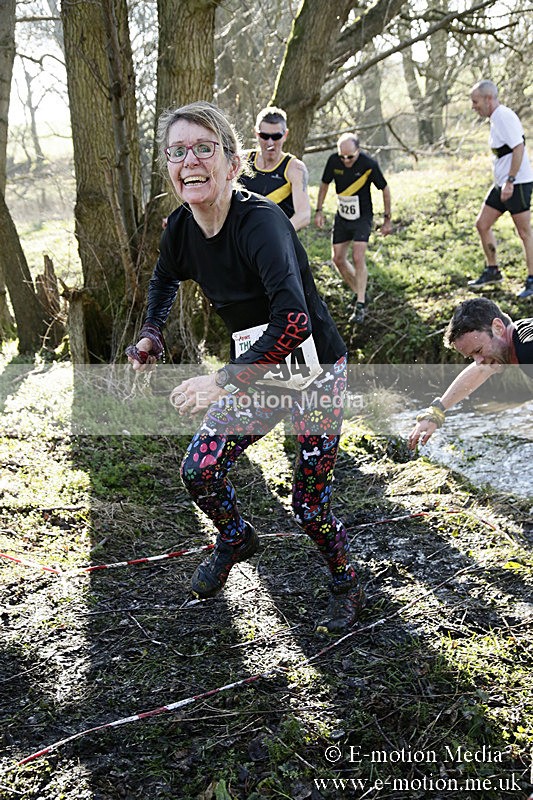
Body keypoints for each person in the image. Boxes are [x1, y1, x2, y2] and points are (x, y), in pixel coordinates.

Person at [126, 101, 365, 634]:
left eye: (204, 148)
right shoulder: (181, 229)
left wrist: (221, 380)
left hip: (315, 371)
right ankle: (236, 538)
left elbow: (294, 322)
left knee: (309, 504)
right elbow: (165, 279)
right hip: (260, 370)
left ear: (234, 164)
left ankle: (346, 580)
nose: (190, 160)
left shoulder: (262, 223)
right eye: (178, 151)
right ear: (169, 167)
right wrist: (150, 332)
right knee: (200, 470)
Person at [408, 298, 533, 450]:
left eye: (478, 351)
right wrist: (436, 411)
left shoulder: (528, 351)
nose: (479, 361)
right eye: (472, 356)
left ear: (498, 327)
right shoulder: (516, 336)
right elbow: (480, 370)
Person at [314, 133, 392, 325]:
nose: (346, 161)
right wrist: (319, 210)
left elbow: (385, 189)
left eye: (350, 157)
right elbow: (324, 184)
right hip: (342, 216)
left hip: (362, 217)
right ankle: (360, 291)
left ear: (358, 151)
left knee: (358, 257)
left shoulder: (369, 164)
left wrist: (387, 219)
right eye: (343, 157)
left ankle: (360, 303)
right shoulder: (333, 161)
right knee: (337, 259)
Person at [468, 80, 533, 299]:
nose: (473, 106)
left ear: (488, 99)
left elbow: (519, 147)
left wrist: (511, 180)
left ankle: (532, 280)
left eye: (475, 101)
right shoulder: (495, 119)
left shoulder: (504, 116)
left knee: (524, 232)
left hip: (517, 183)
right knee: (482, 224)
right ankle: (493, 270)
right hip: (503, 184)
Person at [238, 106, 311, 231]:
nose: (270, 143)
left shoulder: (295, 168)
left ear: (285, 135)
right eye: (264, 136)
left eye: (276, 136)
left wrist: (277, 234)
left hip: (276, 241)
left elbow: (303, 215)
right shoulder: (242, 160)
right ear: (256, 133)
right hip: (241, 238)